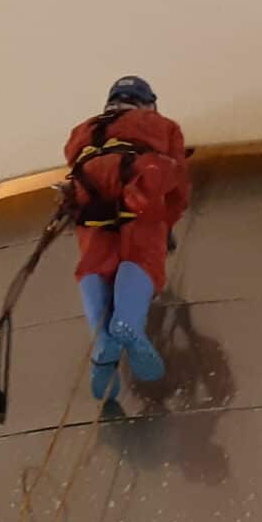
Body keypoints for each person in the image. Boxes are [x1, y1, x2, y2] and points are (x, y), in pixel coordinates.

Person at [63, 76, 189, 404]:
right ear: (147, 103)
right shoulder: (161, 124)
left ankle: (102, 337)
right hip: (138, 183)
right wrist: (165, 223)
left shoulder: (83, 130)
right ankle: (127, 322)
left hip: (89, 193)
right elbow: (178, 186)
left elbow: (73, 161)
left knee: (94, 263)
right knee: (141, 257)